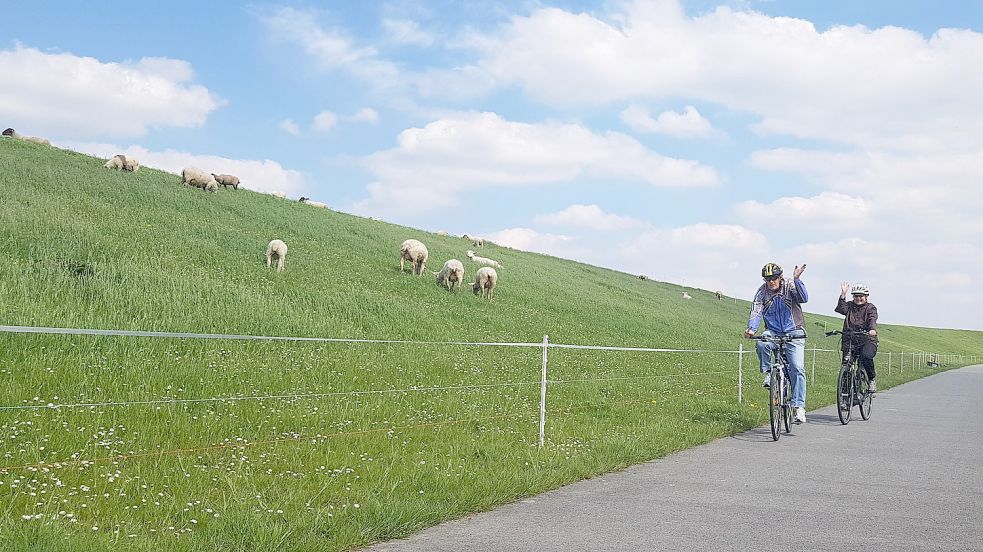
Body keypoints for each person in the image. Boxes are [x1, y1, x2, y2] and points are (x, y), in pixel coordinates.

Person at [744, 262, 810, 424]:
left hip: (794, 331)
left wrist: (797, 279)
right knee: (762, 343)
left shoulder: (789, 285)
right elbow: (756, 310)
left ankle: (799, 407)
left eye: (774, 278)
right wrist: (751, 328)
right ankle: (768, 374)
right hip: (773, 331)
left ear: (780, 277)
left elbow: (804, 298)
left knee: (797, 368)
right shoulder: (762, 292)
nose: (771, 281)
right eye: (767, 279)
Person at [835, 282, 879, 392]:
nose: (858, 298)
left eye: (861, 296)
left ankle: (871, 379)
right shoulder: (849, 306)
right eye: (856, 296)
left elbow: (872, 319)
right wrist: (843, 294)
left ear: (866, 297)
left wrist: (872, 329)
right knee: (846, 364)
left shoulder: (870, 308)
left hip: (867, 339)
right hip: (850, 339)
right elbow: (841, 309)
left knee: (866, 356)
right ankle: (845, 397)